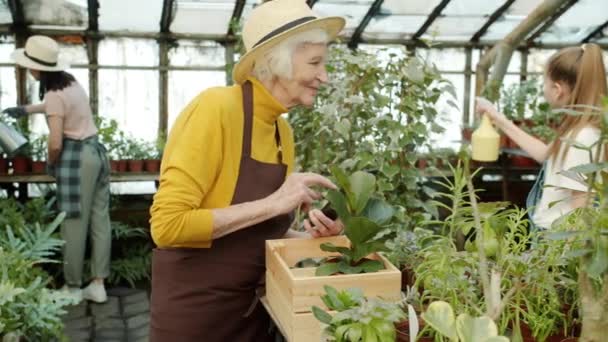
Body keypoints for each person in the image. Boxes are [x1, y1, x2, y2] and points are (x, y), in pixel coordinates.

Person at [148, 0, 345, 340]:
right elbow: (167, 226)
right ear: (276, 62)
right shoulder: (216, 109)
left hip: (254, 313)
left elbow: (256, 234)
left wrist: (314, 240)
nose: (324, 77)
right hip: (197, 317)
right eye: (314, 62)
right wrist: (276, 202)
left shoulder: (282, 131)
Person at [3, 35, 111, 303]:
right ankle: (98, 285)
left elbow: (55, 141)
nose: (28, 70)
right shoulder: (71, 82)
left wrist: (52, 163)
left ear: (38, 68)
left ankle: (72, 288)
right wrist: (26, 109)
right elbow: (59, 105)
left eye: (29, 65)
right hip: (97, 152)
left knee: (73, 222)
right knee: (100, 219)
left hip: (75, 158)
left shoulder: (52, 94)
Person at [476, 43, 607, 230]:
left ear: (557, 89)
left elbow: (581, 210)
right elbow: (547, 155)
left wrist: (564, 257)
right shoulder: (577, 130)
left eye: (544, 82)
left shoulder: (582, 138)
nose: (543, 88)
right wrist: (498, 118)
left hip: (557, 244)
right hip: (551, 238)